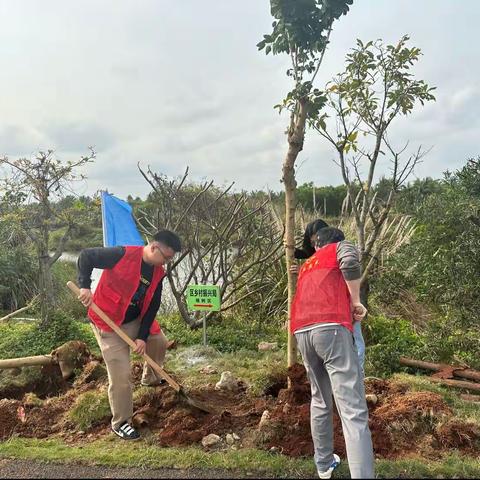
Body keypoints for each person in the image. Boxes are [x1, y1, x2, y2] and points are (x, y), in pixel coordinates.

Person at [76, 230, 182, 441]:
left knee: (158, 341)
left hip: (134, 320)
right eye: (166, 257)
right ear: (153, 247)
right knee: (121, 376)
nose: (166, 263)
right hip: (108, 322)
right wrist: (85, 286)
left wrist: (142, 336)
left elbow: (153, 305)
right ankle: (121, 422)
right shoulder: (121, 254)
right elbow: (86, 256)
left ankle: (150, 378)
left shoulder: (157, 271)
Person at [291, 227, 374, 479]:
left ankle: (324, 464)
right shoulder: (341, 246)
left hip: (302, 331)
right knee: (352, 409)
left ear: (317, 245)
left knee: (320, 399)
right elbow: (349, 261)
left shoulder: (307, 265)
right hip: (331, 328)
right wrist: (356, 300)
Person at [292, 219, 366, 373]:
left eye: (317, 240)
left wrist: (355, 301)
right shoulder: (312, 259)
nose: (315, 245)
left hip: (341, 306)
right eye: (312, 241)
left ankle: (357, 374)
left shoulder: (340, 249)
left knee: (355, 342)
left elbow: (350, 266)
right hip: (322, 317)